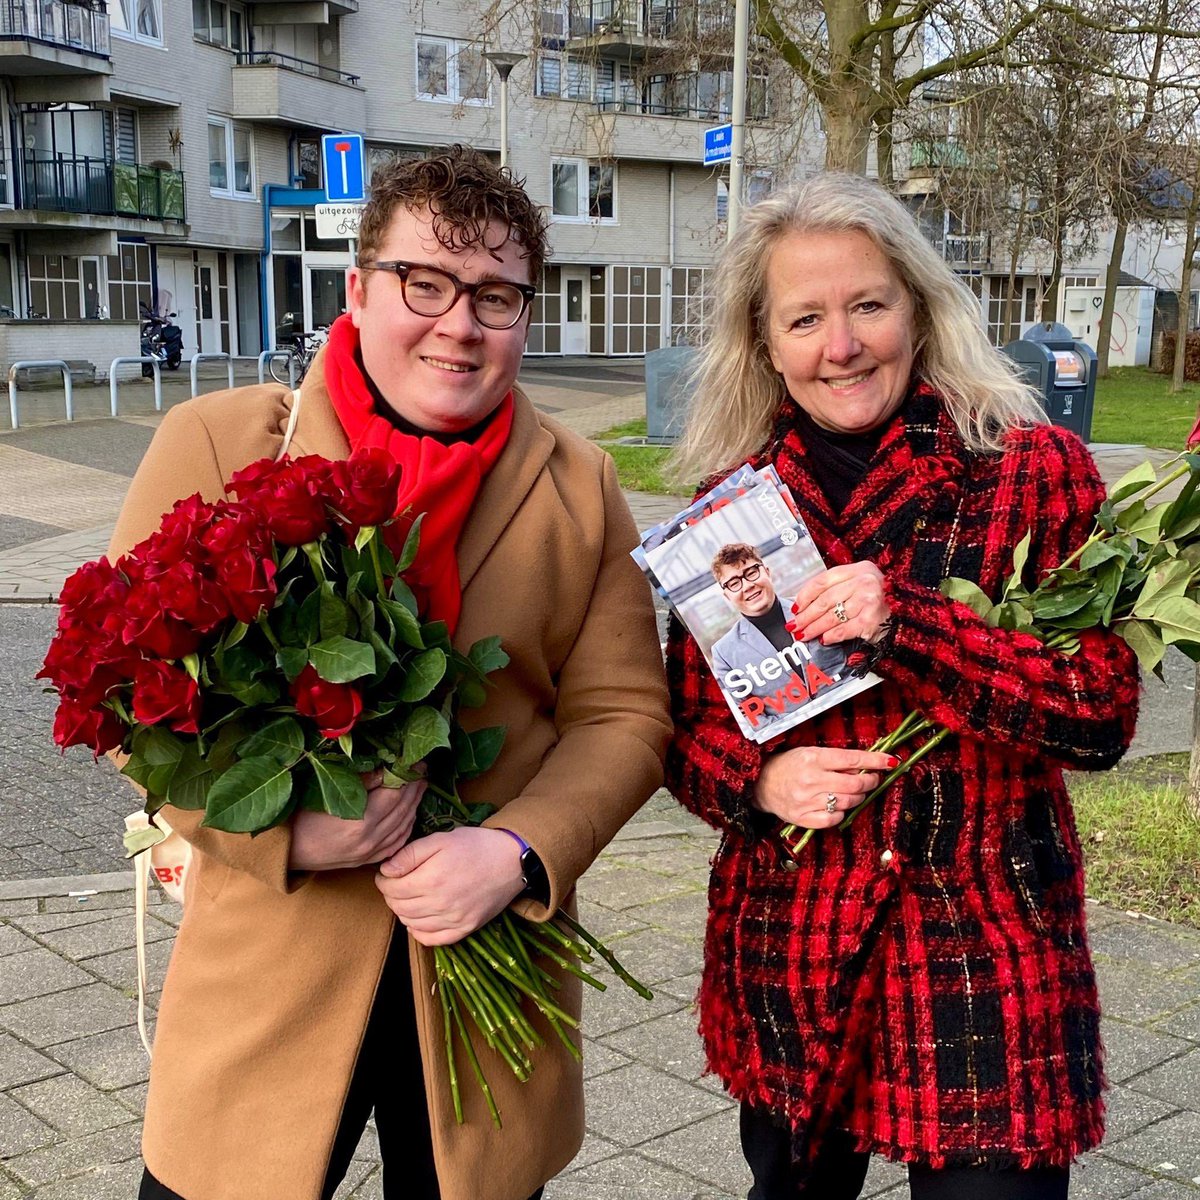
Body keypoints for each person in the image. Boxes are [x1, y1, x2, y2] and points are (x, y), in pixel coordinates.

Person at [108, 146, 671, 1200]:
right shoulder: (225, 444)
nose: (460, 324)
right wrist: (278, 831)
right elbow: (127, 697)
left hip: (483, 962)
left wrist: (517, 850)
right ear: (359, 290)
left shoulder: (581, 483)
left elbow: (626, 715)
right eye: (426, 283)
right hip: (270, 969)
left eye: (496, 296)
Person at [665, 172, 1138, 1200]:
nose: (841, 346)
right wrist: (759, 783)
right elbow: (688, 733)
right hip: (797, 942)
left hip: (985, 945)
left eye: (868, 306)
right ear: (765, 343)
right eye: (805, 318)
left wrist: (910, 626)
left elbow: (1099, 714)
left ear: (918, 311)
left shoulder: (1031, 471)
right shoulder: (728, 516)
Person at [708, 542, 846, 727]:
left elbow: (857, 658)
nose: (747, 586)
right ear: (727, 596)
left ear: (767, 572)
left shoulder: (815, 606)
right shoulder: (723, 653)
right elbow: (754, 718)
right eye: (734, 583)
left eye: (751, 572)